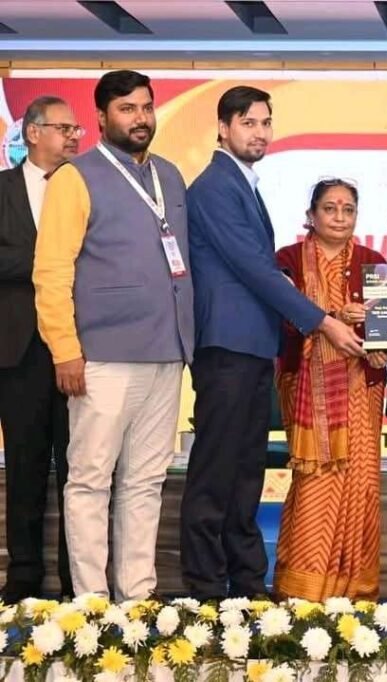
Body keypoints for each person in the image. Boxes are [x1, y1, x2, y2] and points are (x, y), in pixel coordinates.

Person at [182, 86, 363, 601]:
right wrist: (323, 322)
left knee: (245, 472)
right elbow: (255, 270)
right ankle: (204, 588)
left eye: (265, 122)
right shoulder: (215, 187)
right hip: (226, 347)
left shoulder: (243, 183)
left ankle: (244, 581)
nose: (259, 132)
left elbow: (258, 271)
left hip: (253, 346)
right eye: (248, 123)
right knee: (217, 471)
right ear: (223, 129)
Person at [33, 70, 194, 600]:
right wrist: (65, 351)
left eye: (146, 107)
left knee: (146, 482)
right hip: (100, 357)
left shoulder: (169, 175)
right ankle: (91, 603)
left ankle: (137, 599)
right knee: (89, 481)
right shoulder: (74, 178)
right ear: (101, 117)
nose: (140, 118)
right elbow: (52, 271)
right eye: (127, 109)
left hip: (166, 353)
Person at [272, 179, 387, 601]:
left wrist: (386, 340)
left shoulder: (374, 262)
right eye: (329, 208)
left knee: (360, 484)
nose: (339, 217)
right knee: (315, 482)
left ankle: (354, 588)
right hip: (306, 385)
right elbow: (283, 320)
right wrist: (333, 316)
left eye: (348, 209)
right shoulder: (287, 260)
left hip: (361, 387)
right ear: (311, 215)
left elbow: (384, 333)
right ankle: (303, 589)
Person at [0, 96, 80, 602]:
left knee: (81, 472)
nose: (73, 137)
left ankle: (79, 582)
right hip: (19, 350)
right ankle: (24, 578)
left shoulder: (87, 186)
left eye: (76, 130)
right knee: (25, 468)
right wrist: (49, 257)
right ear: (32, 132)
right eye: (63, 128)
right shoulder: (3, 189)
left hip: (78, 348)